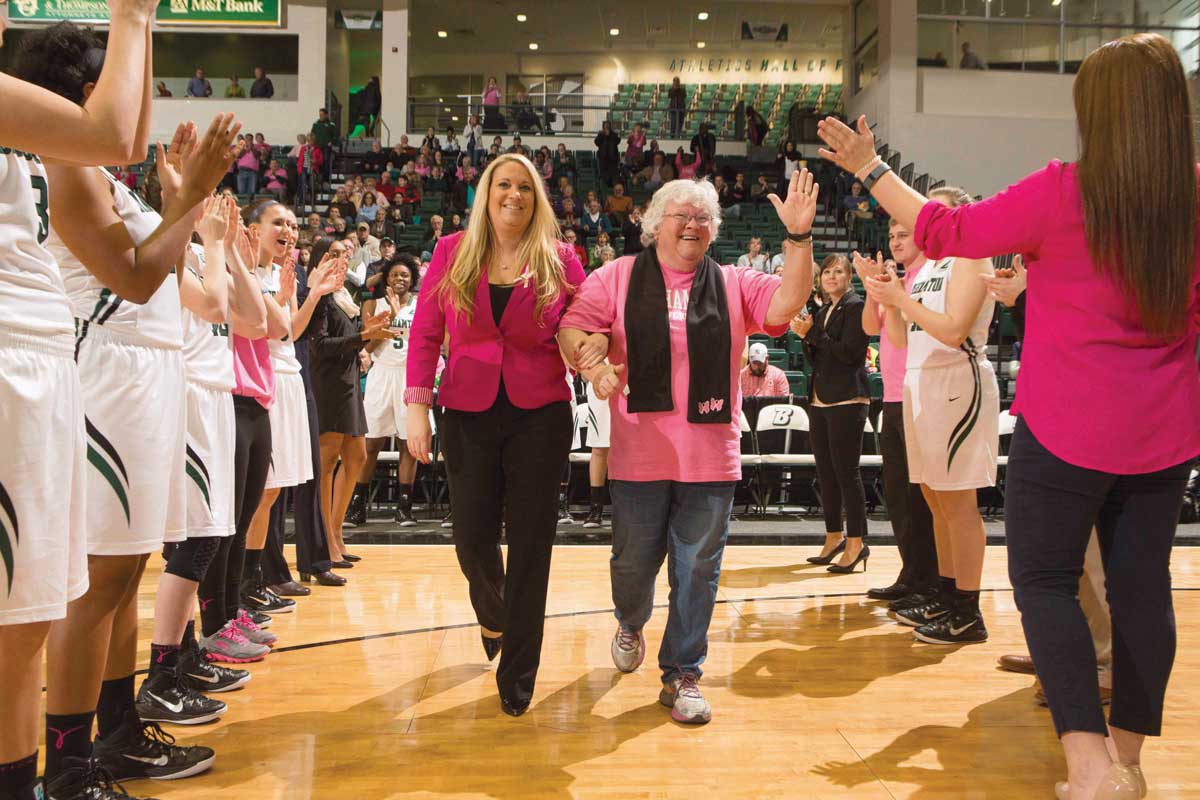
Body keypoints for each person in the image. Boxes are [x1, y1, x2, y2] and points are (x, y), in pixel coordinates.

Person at [821, 33, 1200, 798]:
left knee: (1046, 581)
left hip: (1065, 431)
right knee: (1140, 588)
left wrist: (870, 169)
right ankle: (1128, 760)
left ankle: (1090, 769)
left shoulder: (1065, 191)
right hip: (1165, 433)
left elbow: (943, 231)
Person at [0, 5, 191, 796]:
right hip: (46, 363)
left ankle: (54, 771)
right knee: (39, 614)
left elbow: (126, 140)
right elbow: (116, 138)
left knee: (31, 617)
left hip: (51, 364)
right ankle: (73, 762)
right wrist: (133, 17)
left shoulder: (41, 144)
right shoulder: (51, 140)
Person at [557, 169, 817, 725]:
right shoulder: (618, 276)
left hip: (709, 457)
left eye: (703, 217)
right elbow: (571, 329)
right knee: (632, 567)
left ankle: (683, 672)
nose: (693, 225)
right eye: (682, 215)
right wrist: (596, 364)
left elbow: (788, 302)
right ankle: (631, 620)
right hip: (639, 455)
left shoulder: (732, 282)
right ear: (656, 225)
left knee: (697, 569)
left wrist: (797, 238)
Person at [404, 153, 587, 717]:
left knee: (533, 545)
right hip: (468, 408)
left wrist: (598, 359)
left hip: (541, 413)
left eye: (525, 188)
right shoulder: (452, 250)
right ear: (486, 193)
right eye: (503, 185)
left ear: (538, 199)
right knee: (472, 537)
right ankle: (493, 613)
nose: (514, 195)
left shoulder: (561, 258)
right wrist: (417, 404)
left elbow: (589, 321)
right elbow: (427, 330)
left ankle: (519, 670)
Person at [858, 221, 938, 607]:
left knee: (920, 496)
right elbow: (871, 325)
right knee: (899, 494)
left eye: (903, 233)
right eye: (891, 235)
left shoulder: (928, 278)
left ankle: (929, 580)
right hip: (893, 397)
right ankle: (912, 573)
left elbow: (907, 329)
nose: (896, 240)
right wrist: (874, 289)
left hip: (918, 394)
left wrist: (890, 294)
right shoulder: (903, 278)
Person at [311, 237, 395, 567]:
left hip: (348, 385)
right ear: (318, 260)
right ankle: (325, 540)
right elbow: (320, 346)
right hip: (329, 386)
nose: (341, 259)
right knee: (328, 463)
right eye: (332, 255)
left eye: (343, 255)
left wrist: (365, 338)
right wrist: (360, 337)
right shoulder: (319, 299)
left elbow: (342, 342)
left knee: (357, 456)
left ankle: (336, 531)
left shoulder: (343, 297)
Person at [791, 254, 871, 572]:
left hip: (848, 399)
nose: (831, 276)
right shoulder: (823, 310)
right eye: (827, 271)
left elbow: (850, 354)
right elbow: (821, 359)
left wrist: (813, 335)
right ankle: (833, 536)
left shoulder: (855, 306)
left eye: (839, 271)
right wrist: (804, 337)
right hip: (821, 398)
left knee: (847, 473)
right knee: (826, 474)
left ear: (849, 276)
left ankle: (857, 543)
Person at [350, 256, 424, 526]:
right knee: (371, 443)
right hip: (381, 374)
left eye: (404, 275)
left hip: (409, 375)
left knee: (409, 444)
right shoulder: (373, 304)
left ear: (412, 279)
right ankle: (358, 506)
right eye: (394, 275)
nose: (399, 279)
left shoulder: (420, 306)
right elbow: (366, 347)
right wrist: (391, 316)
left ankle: (404, 508)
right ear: (386, 278)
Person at [595, 120, 621, 187]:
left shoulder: (614, 134)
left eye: (608, 125)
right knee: (605, 175)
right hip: (603, 159)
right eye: (605, 125)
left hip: (612, 159)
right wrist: (602, 135)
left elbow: (617, 141)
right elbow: (597, 143)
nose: (606, 127)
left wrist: (609, 135)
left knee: (614, 175)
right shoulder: (600, 134)